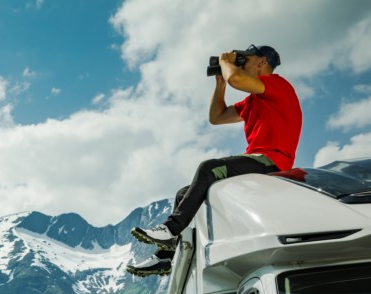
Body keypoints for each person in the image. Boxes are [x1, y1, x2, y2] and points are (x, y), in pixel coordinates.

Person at [127, 45, 302, 277]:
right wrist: (220, 83)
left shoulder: (277, 84)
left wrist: (226, 62)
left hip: (272, 162)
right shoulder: (253, 100)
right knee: (184, 194)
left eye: (245, 59)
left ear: (261, 62)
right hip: (256, 162)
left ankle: (170, 229)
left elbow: (236, 79)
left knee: (209, 168)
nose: (241, 63)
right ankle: (165, 257)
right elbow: (216, 117)